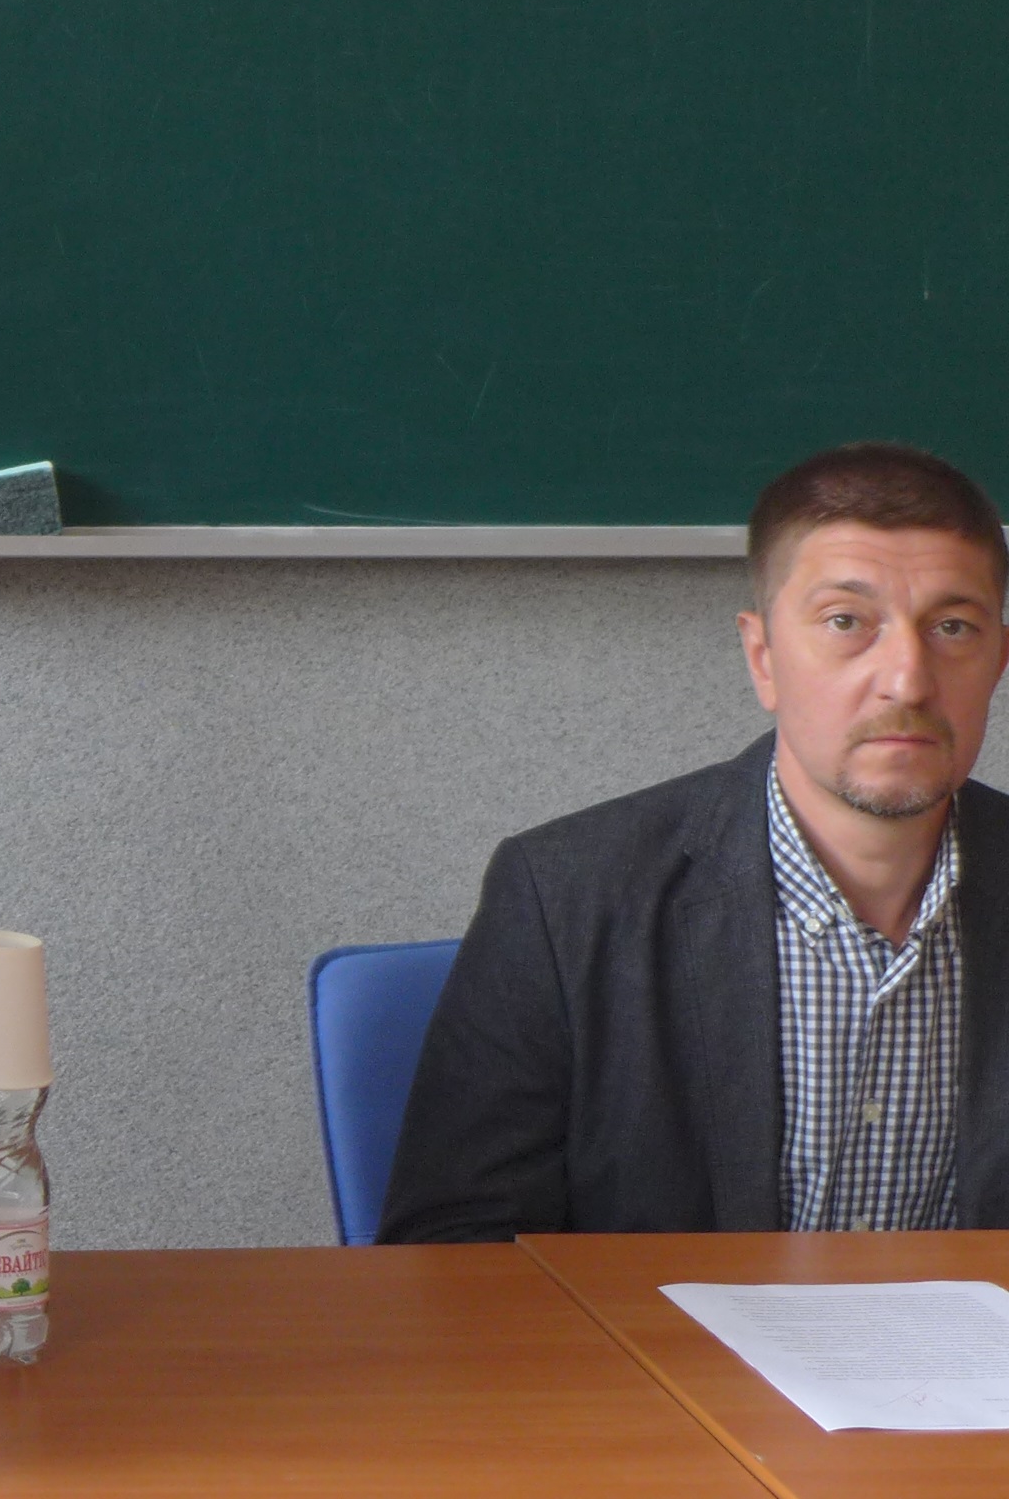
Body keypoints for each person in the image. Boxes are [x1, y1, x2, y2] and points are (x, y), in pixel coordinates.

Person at [381, 441, 1009, 1240]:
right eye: (846, 622)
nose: (908, 678)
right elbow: (452, 1249)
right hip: (649, 1330)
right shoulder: (563, 897)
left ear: (999, 660)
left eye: (953, 627)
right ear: (763, 658)